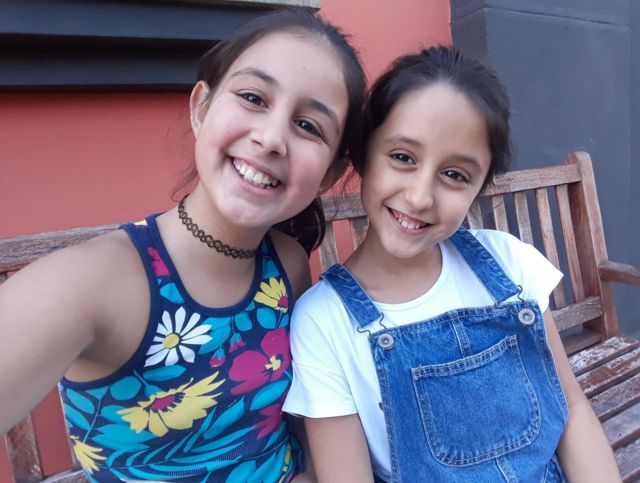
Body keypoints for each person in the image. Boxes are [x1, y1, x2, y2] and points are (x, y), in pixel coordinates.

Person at [0, 8, 366, 482]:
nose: (271, 137)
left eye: (309, 126)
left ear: (330, 174)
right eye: (253, 97)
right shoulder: (91, 284)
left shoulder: (287, 262)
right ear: (201, 107)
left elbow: (302, 415)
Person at [283, 46, 621, 482]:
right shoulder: (324, 322)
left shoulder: (508, 265)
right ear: (364, 154)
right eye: (403, 157)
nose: (420, 196)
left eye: (455, 175)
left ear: (479, 187)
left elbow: (570, 408)